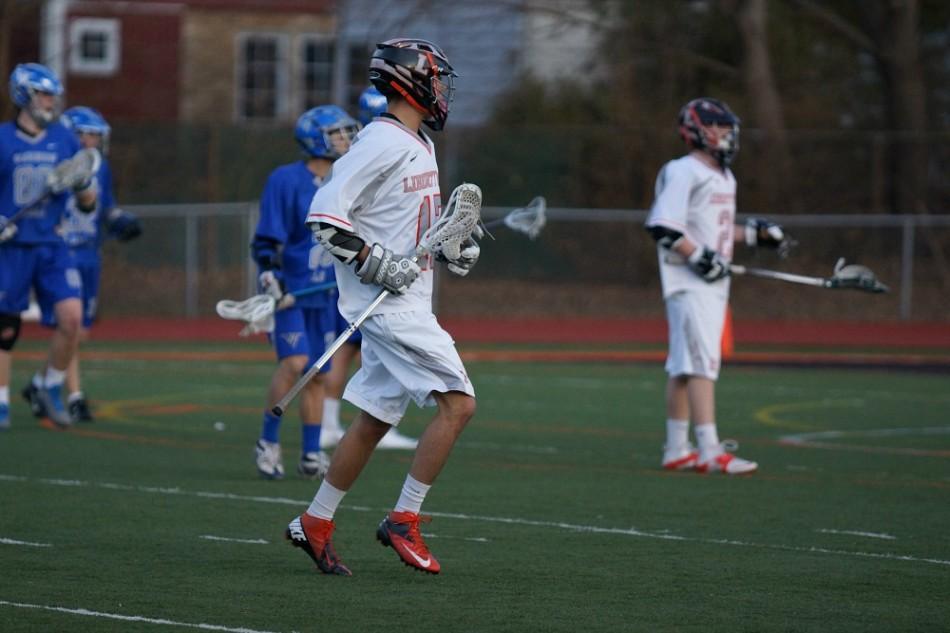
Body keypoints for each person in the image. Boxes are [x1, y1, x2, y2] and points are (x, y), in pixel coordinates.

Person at [286, 38, 478, 576]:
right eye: (436, 79)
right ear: (410, 82)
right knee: (459, 404)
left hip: (411, 298)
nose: (442, 89)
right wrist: (376, 263)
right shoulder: (379, 141)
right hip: (389, 307)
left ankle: (315, 521)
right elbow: (325, 218)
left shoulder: (420, 144)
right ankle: (403, 519)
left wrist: (452, 246)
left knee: (373, 421)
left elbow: (410, 225)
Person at [645, 97, 788, 475]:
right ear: (698, 131)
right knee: (702, 364)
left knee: (682, 366)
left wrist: (755, 236)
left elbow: (714, 231)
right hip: (690, 284)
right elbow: (663, 226)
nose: (727, 135)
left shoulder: (725, 177)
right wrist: (699, 256)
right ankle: (709, 449)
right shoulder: (683, 170)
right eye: (719, 128)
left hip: (711, 285)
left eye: (728, 129)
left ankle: (676, 448)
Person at [251, 105, 360, 480]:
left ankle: (311, 454)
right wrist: (269, 276)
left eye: (348, 132)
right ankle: (268, 442)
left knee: (317, 374)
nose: (346, 140)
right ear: (315, 139)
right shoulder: (285, 180)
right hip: (292, 290)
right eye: (337, 134)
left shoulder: (347, 180)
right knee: (296, 364)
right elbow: (266, 240)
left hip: (327, 293)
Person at [23, 106, 141, 423]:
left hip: (90, 252)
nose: (93, 140)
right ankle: (73, 395)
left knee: (81, 331)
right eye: (87, 133)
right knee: (70, 325)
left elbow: (106, 208)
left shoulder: (100, 168)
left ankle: (39, 384)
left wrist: (121, 222)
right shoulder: (53, 159)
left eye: (96, 135)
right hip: (63, 250)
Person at [319, 84, 418, 452]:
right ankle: (331, 422)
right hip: (363, 266)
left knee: (359, 348)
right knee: (345, 347)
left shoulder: (382, 147)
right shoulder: (368, 151)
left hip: (375, 262)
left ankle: (363, 421)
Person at [0, 63, 98, 430]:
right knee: (5, 329)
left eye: (53, 95)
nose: (50, 102)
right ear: (24, 95)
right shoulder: (3, 140)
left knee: (71, 318)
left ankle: (48, 386)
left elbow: (88, 203)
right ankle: (1, 402)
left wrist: (80, 182)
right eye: (43, 94)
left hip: (52, 245)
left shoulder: (65, 140)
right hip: (11, 248)